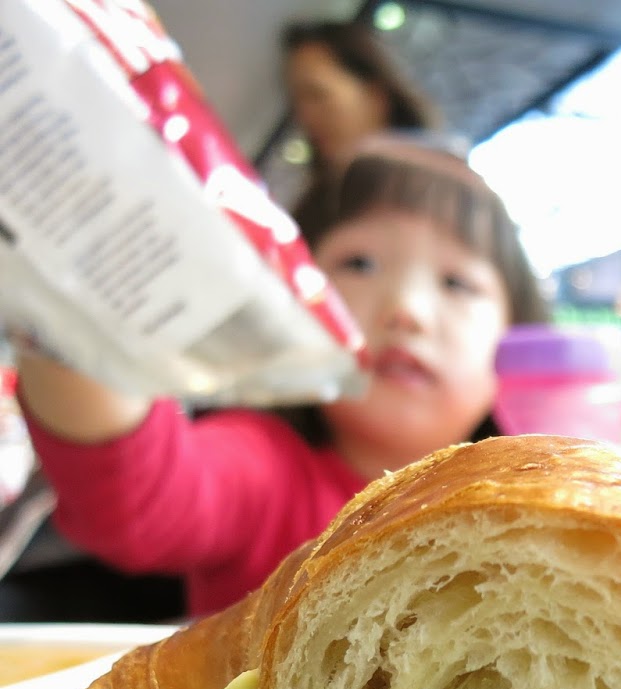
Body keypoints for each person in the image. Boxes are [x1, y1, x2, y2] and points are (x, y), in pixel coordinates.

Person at [15, 134, 545, 617]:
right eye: (358, 264)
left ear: (518, 344)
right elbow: (140, 495)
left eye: (457, 283)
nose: (406, 309)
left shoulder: (530, 509)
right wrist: (66, 318)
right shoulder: (267, 470)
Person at [281, 20, 443, 235]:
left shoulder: (429, 196)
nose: (305, 117)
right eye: (297, 103)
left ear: (376, 96)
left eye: (318, 95)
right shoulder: (320, 203)